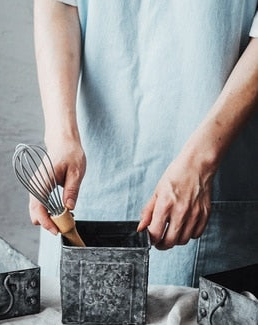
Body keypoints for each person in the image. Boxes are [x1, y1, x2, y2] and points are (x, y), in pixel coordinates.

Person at [32, 0, 258, 286]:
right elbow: (59, 4)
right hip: (87, 181)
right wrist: (60, 135)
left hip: (210, 179)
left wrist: (201, 162)